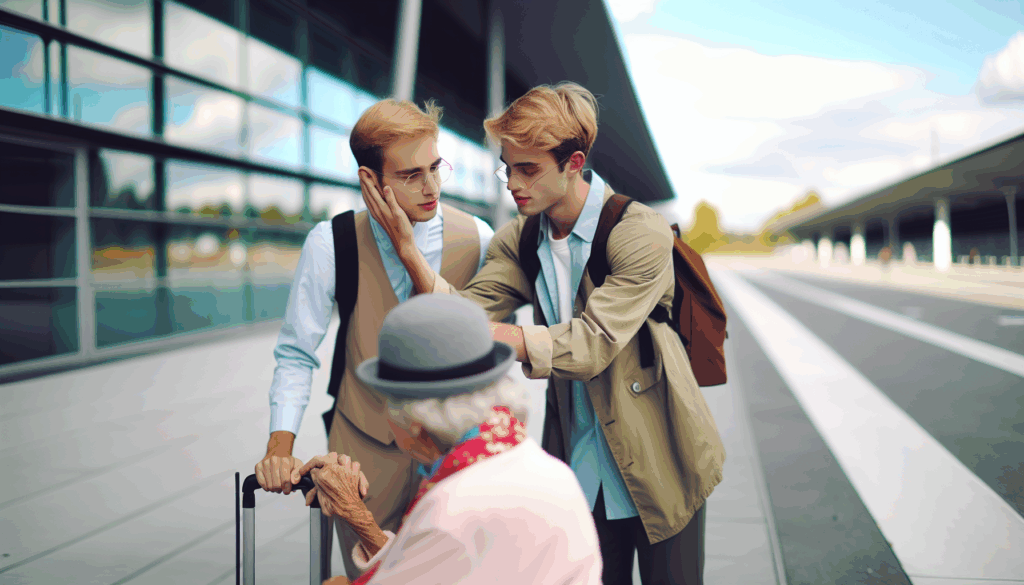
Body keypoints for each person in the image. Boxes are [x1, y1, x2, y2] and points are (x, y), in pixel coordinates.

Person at [362, 82, 726, 584]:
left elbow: (591, 344)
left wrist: (497, 339)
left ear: (574, 163)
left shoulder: (640, 231)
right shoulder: (522, 238)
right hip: (580, 466)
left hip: (661, 458)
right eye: (507, 167)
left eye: (528, 169)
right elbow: (465, 316)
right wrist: (407, 248)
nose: (513, 183)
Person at [254, 98, 495, 580]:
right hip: (362, 449)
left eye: (435, 167)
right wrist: (280, 447)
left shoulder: (480, 238)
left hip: (454, 447)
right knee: (372, 576)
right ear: (371, 180)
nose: (432, 188)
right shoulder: (332, 242)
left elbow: (489, 341)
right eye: (410, 175)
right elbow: (297, 353)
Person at [296, 294, 602, 584]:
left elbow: (429, 556)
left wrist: (355, 514)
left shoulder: (451, 510)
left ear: (416, 425)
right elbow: (432, 565)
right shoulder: (546, 469)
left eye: (386, 401)